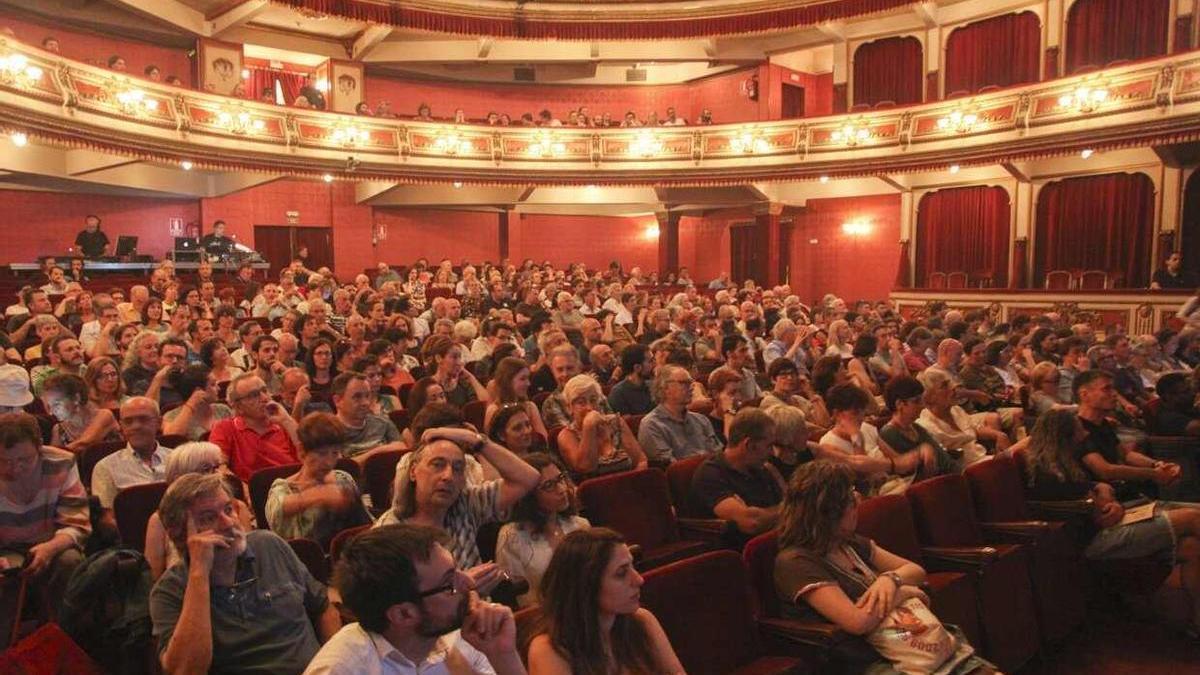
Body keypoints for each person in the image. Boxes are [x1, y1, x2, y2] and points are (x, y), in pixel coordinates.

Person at [774, 461, 991, 674]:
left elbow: (915, 570)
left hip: (906, 644)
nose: (857, 504)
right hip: (864, 659)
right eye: (851, 500)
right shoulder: (795, 562)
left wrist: (889, 580)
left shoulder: (847, 541)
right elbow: (858, 622)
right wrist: (903, 592)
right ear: (828, 512)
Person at [150, 472, 341, 674]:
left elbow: (323, 607)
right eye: (208, 518)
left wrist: (332, 665)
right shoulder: (169, 591)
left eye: (228, 509)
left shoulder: (268, 545)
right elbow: (185, 670)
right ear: (178, 535)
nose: (228, 523)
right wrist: (199, 573)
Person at [304, 523, 527, 675]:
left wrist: (503, 655)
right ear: (404, 614)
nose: (469, 584)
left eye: (457, 570)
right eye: (449, 584)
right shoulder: (343, 668)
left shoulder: (463, 636)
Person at [377, 425, 539, 575]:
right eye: (438, 465)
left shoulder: (466, 504)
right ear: (413, 472)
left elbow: (528, 478)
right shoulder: (389, 532)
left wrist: (475, 440)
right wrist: (461, 587)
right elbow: (394, 601)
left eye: (458, 468)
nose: (448, 476)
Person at [526, 527, 684, 674]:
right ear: (586, 585)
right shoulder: (549, 650)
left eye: (633, 567)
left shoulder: (642, 620)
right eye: (621, 573)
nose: (638, 580)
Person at [0, 413, 89, 638]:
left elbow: (77, 524)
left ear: (39, 447)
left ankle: (67, 639)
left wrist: (49, 548)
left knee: (71, 561)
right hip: (5, 549)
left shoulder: (61, 462)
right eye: (4, 461)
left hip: (50, 542)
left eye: (24, 460)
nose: (14, 469)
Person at [144, 441, 251, 580]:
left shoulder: (238, 507)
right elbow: (153, 577)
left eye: (218, 467)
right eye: (206, 469)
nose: (216, 475)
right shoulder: (159, 519)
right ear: (180, 480)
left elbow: (247, 556)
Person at [495, 453, 590, 608]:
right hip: (543, 619)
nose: (562, 489)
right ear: (527, 495)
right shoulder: (511, 537)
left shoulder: (580, 525)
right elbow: (520, 600)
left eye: (561, 479)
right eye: (549, 485)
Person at [1074, 369, 1184, 501]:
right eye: (1106, 389)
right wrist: (1154, 474)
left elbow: (1126, 455)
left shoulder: (1103, 423)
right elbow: (1105, 470)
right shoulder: (1077, 428)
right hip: (1103, 503)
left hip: (1123, 493)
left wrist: (1158, 465)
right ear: (1084, 395)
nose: (1114, 394)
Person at [265, 413, 370, 547]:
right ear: (302, 452)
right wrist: (318, 495)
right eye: (322, 454)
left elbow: (365, 525)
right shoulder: (283, 488)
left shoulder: (342, 478)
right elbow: (277, 510)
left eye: (335, 453)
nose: (328, 462)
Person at [689, 408, 785, 551]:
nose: (772, 452)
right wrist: (786, 510)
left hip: (779, 542)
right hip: (743, 554)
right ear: (748, 445)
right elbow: (752, 523)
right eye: (769, 446)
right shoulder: (709, 475)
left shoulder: (763, 468)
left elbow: (792, 504)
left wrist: (765, 513)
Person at [818, 384, 917, 495]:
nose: (861, 417)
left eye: (862, 411)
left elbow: (897, 460)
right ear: (837, 414)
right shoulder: (827, 444)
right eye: (855, 413)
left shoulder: (866, 428)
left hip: (894, 485)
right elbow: (864, 477)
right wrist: (856, 436)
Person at [210, 373, 301, 482]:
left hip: (293, 489)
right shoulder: (225, 428)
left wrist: (287, 420)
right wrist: (245, 492)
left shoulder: (285, 424)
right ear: (238, 407)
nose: (264, 398)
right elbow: (218, 468)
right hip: (252, 494)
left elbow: (313, 457)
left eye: (265, 390)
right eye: (254, 395)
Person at [556, 374, 647, 480]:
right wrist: (589, 427)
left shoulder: (616, 422)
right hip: (597, 494)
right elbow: (586, 467)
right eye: (581, 402)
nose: (589, 407)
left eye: (593, 400)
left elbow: (641, 461)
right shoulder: (566, 436)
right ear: (569, 408)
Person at [91, 396, 171, 511]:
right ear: (121, 426)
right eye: (128, 421)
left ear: (159, 422)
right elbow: (106, 517)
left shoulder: (178, 460)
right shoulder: (105, 468)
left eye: (143, 419)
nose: (136, 426)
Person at [636, 364, 722, 464]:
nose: (691, 388)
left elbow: (718, 456)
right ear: (664, 388)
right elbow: (671, 469)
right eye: (684, 383)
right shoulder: (652, 425)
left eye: (691, 383)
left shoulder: (701, 420)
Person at [330, 371, 404, 461]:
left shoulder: (383, 422)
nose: (365, 402)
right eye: (357, 397)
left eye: (367, 396)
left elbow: (401, 448)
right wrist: (377, 452)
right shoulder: (329, 431)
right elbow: (342, 467)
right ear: (337, 401)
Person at [41, 372, 121, 453]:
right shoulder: (58, 429)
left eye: (56, 404)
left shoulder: (104, 415)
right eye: (49, 406)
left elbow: (83, 444)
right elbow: (53, 459)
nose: (51, 412)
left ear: (76, 398)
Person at [162, 364, 233, 440]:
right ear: (198, 391)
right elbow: (171, 438)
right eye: (213, 384)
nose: (218, 388)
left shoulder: (223, 410)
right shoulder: (172, 415)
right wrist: (191, 404)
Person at [483, 356, 548, 440]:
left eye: (528, 378)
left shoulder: (530, 407)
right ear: (507, 381)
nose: (528, 383)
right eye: (522, 379)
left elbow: (543, 439)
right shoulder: (494, 410)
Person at [606, 343, 655, 416]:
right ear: (637, 367)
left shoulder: (653, 386)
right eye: (650, 361)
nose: (655, 364)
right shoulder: (618, 394)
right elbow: (628, 423)